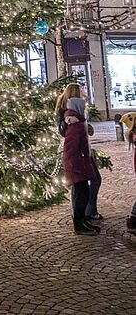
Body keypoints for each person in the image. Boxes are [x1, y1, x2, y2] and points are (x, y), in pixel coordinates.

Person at [55, 84, 100, 235]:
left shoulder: (78, 118)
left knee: (84, 189)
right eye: (81, 91)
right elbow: (71, 144)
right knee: (81, 191)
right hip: (78, 160)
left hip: (82, 157)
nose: (83, 93)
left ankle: (83, 219)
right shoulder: (71, 118)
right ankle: (79, 222)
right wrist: (75, 162)